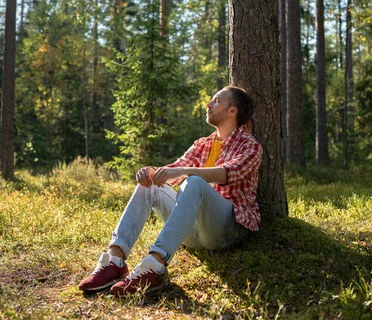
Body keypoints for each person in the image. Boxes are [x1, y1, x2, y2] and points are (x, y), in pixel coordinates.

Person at [78, 86, 262, 296]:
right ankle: (115, 261)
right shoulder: (203, 144)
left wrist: (186, 172)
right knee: (150, 186)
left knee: (194, 181)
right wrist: (153, 173)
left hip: (226, 231)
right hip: (193, 232)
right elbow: (175, 170)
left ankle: (155, 266)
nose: (209, 104)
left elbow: (227, 173)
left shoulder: (250, 145)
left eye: (217, 101)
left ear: (232, 111)